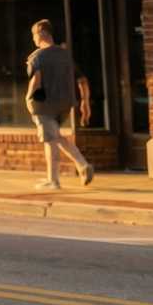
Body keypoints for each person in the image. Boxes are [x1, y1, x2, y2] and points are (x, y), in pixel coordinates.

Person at [26, 19, 93, 190]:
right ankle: (83, 165)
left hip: (43, 105)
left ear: (41, 34)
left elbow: (36, 81)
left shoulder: (37, 57)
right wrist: (85, 103)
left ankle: (53, 180)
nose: (33, 39)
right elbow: (83, 80)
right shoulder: (65, 55)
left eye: (34, 35)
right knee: (56, 136)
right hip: (65, 105)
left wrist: (28, 98)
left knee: (50, 141)